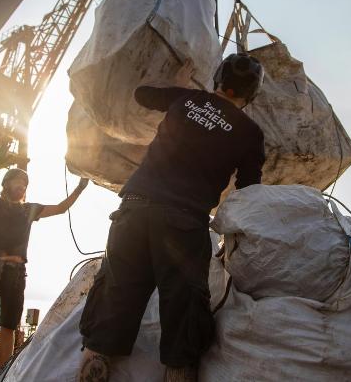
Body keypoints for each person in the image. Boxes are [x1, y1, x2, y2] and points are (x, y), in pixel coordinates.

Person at [78, 53, 266, 382]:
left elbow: (142, 94)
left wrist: (181, 87)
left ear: (218, 80)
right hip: (182, 221)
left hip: (133, 209)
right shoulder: (249, 133)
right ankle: (178, 371)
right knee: (184, 300)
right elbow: (249, 189)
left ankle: (96, 358)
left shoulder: (186, 98)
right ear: (251, 94)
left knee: (117, 288)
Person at [0, 162, 89, 382]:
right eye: (18, 182)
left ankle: (3, 374)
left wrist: (80, 188)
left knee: (9, 327)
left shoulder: (30, 209)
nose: (22, 186)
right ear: (6, 184)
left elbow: (61, 208)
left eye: (25, 183)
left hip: (16, 274)